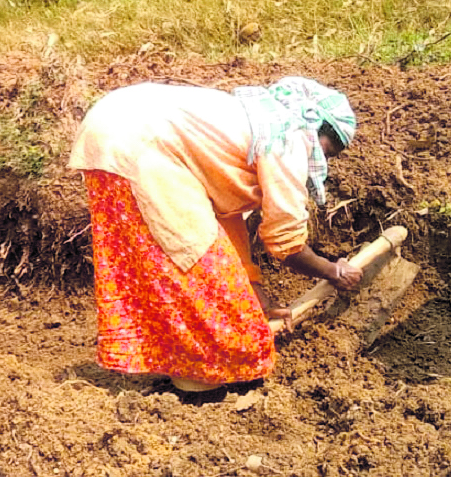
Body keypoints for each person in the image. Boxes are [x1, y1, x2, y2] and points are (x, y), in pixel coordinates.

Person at [68, 77, 361, 392]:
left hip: (112, 129)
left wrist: (254, 288)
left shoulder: (256, 123)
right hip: (137, 144)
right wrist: (333, 271)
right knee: (197, 268)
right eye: (331, 152)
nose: (325, 161)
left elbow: (227, 221)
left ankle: (187, 366)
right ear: (320, 131)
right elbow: (286, 241)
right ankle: (204, 375)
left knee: (177, 266)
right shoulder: (289, 137)